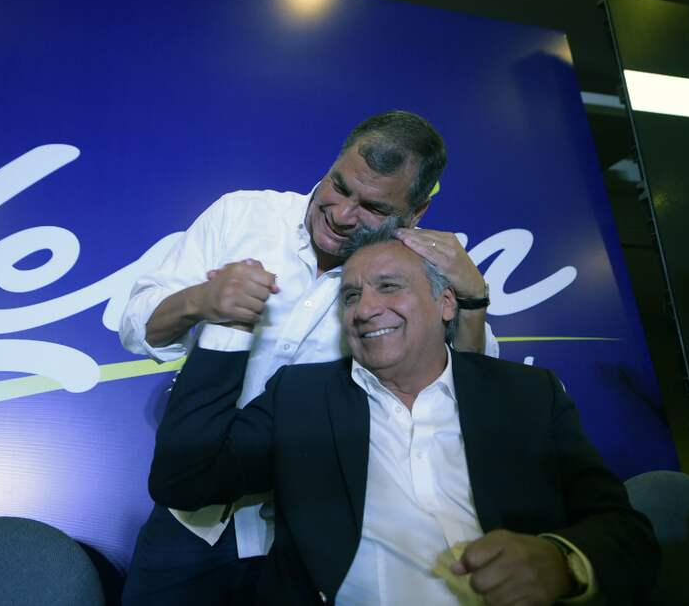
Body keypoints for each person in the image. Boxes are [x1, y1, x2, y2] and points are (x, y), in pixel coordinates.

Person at [149, 222, 660, 605]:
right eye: (351, 294)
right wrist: (227, 323)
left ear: (444, 304)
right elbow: (185, 480)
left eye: (389, 286)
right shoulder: (302, 396)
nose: (364, 307)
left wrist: (561, 560)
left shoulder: (528, 395)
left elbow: (625, 531)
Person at [120, 111, 499, 603]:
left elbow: (470, 392)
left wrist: (473, 302)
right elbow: (137, 326)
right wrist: (200, 300)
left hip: (321, 533)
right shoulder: (243, 215)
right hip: (192, 525)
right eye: (338, 186)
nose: (342, 214)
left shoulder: (425, 268)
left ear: (416, 213)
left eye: (372, 207)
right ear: (332, 164)